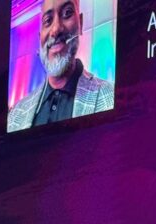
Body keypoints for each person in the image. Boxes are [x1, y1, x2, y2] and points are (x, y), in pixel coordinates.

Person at [7, 0, 114, 133]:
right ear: (40, 38)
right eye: (48, 20)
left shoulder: (111, 95)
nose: (56, 29)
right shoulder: (15, 114)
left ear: (80, 23)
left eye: (67, 13)